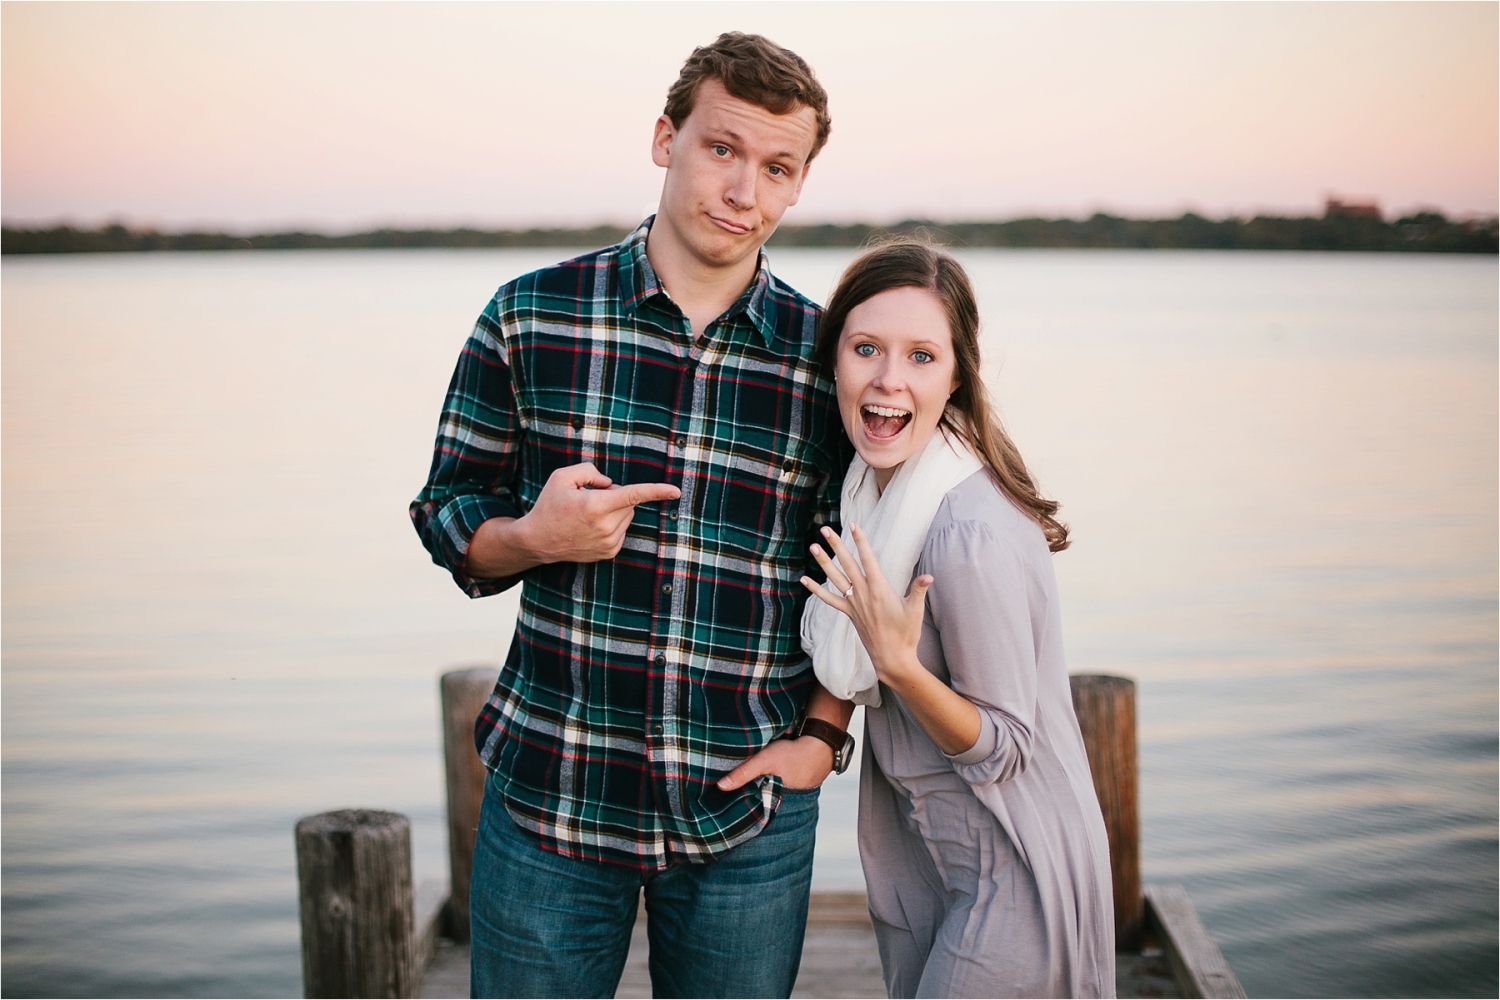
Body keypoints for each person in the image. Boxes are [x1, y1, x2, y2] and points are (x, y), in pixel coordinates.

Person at [410, 32, 858, 1000]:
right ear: (667, 139)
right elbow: (447, 510)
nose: (743, 189)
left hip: (747, 809)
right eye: (722, 149)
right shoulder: (531, 315)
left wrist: (822, 740)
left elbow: (857, 577)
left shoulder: (827, 360)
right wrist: (532, 539)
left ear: (799, 184)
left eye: (776, 167)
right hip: (551, 799)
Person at [800, 240, 1117, 998]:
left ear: (956, 375)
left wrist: (901, 666)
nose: (887, 381)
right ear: (833, 360)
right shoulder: (870, 495)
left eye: (921, 357)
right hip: (928, 859)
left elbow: (1004, 747)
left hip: (1014, 870)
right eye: (867, 349)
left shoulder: (965, 532)